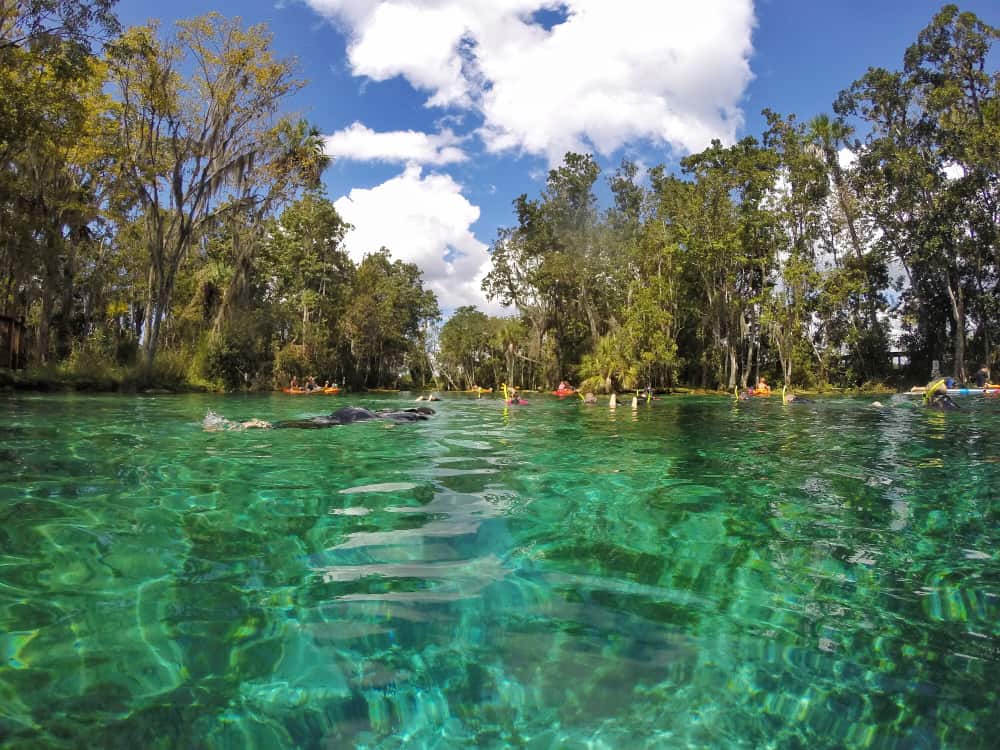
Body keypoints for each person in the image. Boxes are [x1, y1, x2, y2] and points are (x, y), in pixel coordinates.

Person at [204, 405, 436, 430]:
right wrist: (389, 428)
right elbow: (393, 422)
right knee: (317, 426)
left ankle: (250, 421)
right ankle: (263, 426)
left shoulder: (404, 409)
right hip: (357, 418)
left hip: (347, 410)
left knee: (319, 421)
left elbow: (388, 413)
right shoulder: (413, 417)